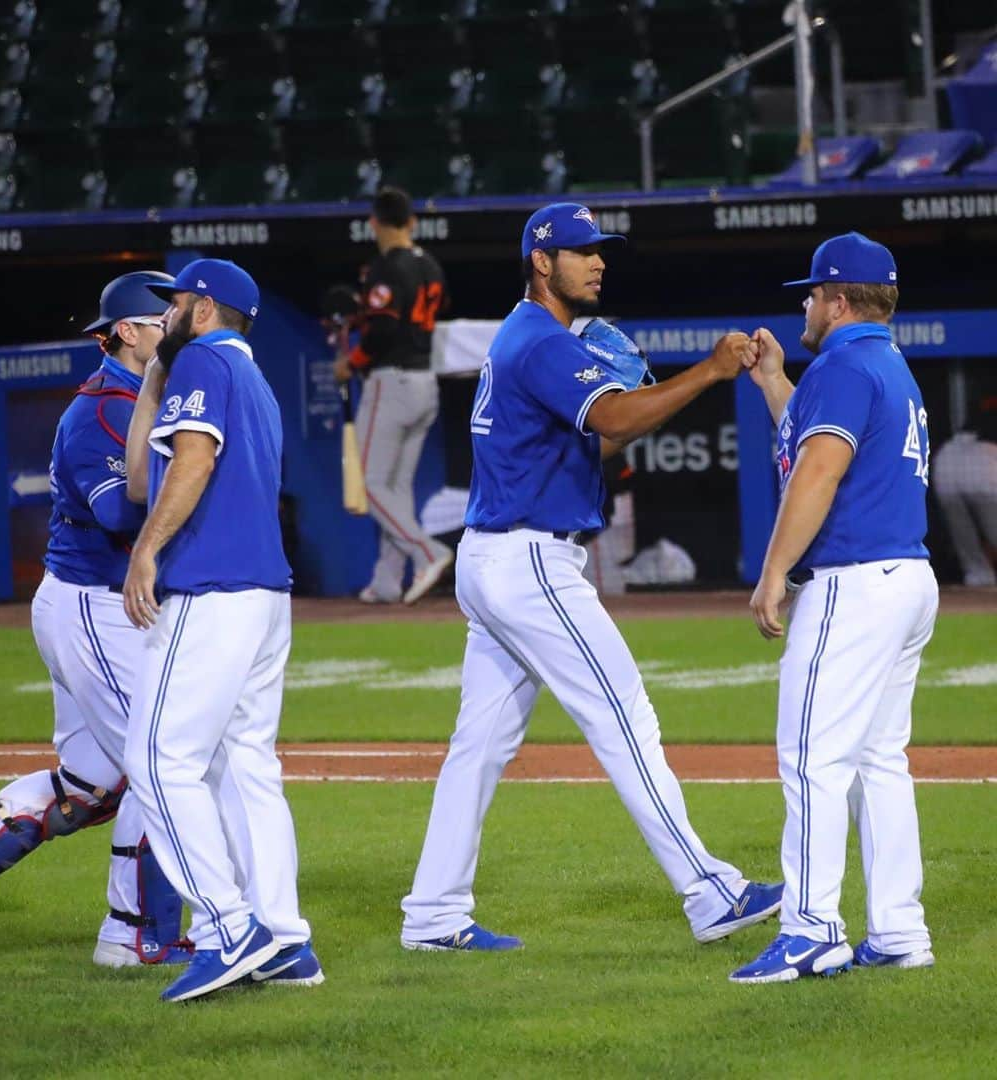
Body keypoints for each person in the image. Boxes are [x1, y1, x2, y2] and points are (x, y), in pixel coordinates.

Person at [400, 202, 782, 952]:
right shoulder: (541, 341)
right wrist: (706, 371)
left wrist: (644, 401)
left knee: (477, 746)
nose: (598, 261)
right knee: (625, 716)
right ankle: (711, 893)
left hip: (499, 557)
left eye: (601, 251)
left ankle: (434, 914)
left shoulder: (527, 335)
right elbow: (612, 424)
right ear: (542, 262)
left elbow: (592, 446)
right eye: (582, 252)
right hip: (526, 562)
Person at [0, 271, 192, 969]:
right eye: (164, 321)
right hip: (93, 605)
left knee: (88, 785)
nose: (176, 329)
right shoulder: (100, 409)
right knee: (161, 762)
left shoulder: (144, 397)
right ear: (127, 332)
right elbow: (119, 513)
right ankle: (133, 933)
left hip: (100, 606)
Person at [730, 232, 938, 984]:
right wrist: (775, 384)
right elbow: (814, 439)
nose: (807, 305)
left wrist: (774, 571)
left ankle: (813, 928)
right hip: (906, 578)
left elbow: (818, 471)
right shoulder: (886, 364)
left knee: (814, 758)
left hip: (852, 584)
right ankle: (899, 929)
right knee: (880, 761)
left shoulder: (846, 365)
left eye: (813, 293)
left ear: (840, 300)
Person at [120, 258, 322, 1003]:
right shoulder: (247, 374)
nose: (166, 315)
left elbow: (192, 460)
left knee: (158, 759)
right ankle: (284, 939)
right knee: (246, 768)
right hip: (265, 594)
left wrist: (146, 550)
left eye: (175, 304)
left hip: (214, 586)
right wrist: (152, 379)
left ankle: (231, 928)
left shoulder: (205, 359)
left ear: (203, 309)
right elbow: (143, 478)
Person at [333, 185, 453, 605]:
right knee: (396, 488)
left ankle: (427, 553)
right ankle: (386, 579)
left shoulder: (387, 267)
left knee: (370, 484)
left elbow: (383, 327)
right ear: (413, 222)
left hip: (392, 381)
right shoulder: (431, 265)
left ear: (374, 223)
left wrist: (352, 361)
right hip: (425, 382)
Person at [931, 392, 997, 586]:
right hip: (985, 460)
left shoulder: (975, 411)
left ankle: (978, 578)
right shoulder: (986, 412)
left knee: (964, 535)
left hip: (947, 460)